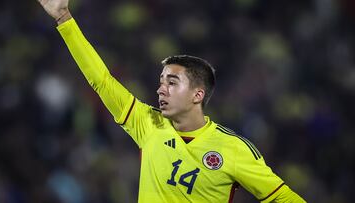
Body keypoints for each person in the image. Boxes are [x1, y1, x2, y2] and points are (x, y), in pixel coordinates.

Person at [37, 0, 306, 202]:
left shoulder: (232, 150)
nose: (160, 90)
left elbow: (284, 198)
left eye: (172, 83)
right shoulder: (148, 123)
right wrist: (64, 18)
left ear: (197, 95)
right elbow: (102, 80)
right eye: (161, 82)